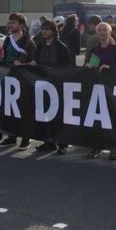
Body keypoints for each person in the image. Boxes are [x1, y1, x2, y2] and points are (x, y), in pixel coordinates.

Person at [85, 22, 116, 160]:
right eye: (100, 30)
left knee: (112, 119)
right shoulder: (95, 49)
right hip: (98, 88)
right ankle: (97, 146)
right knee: (98, 119)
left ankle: (114, 148)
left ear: (110, 32)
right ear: (97, 33)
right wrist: (89, 66)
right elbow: (91, 64)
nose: (102, 32)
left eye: (105, 30)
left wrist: (110, 67)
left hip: (113, 88)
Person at [31, 19, 72, 154]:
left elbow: (68, 68)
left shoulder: (62, 48)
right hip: (44, 86)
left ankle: (62, 144)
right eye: (43, 29)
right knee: (45, 115)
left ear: (54, 31)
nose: (44, 31)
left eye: (47, 29)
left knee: (59, 116)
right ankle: (48, 142)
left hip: (58, 87)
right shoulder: (40, 46)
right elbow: (36, 63)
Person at [0, 12, 36, 150]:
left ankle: (25, 139)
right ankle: (11, 137)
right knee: (9, 109)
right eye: (9, 22)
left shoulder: (28, 42)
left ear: (21, 25)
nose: (10, 25)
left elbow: (32, 63)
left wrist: (22, 64)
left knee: (23, 109)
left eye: (13, 22)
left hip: (23, 80)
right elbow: (5, 58)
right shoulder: (8, 40)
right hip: (9, 77)